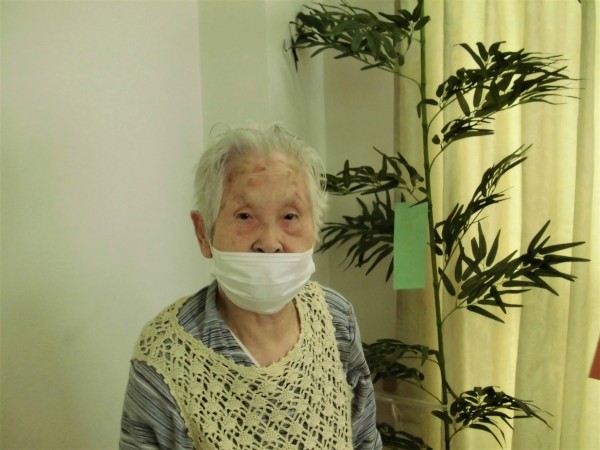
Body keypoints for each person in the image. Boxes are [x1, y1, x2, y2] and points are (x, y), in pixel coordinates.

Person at [119, 123, 382, 449]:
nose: (270, 243)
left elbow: (365, 439)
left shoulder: (336, 317)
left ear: (315, 229)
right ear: (203, 233)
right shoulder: (165, 358)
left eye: (290, 216)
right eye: (245, 216)